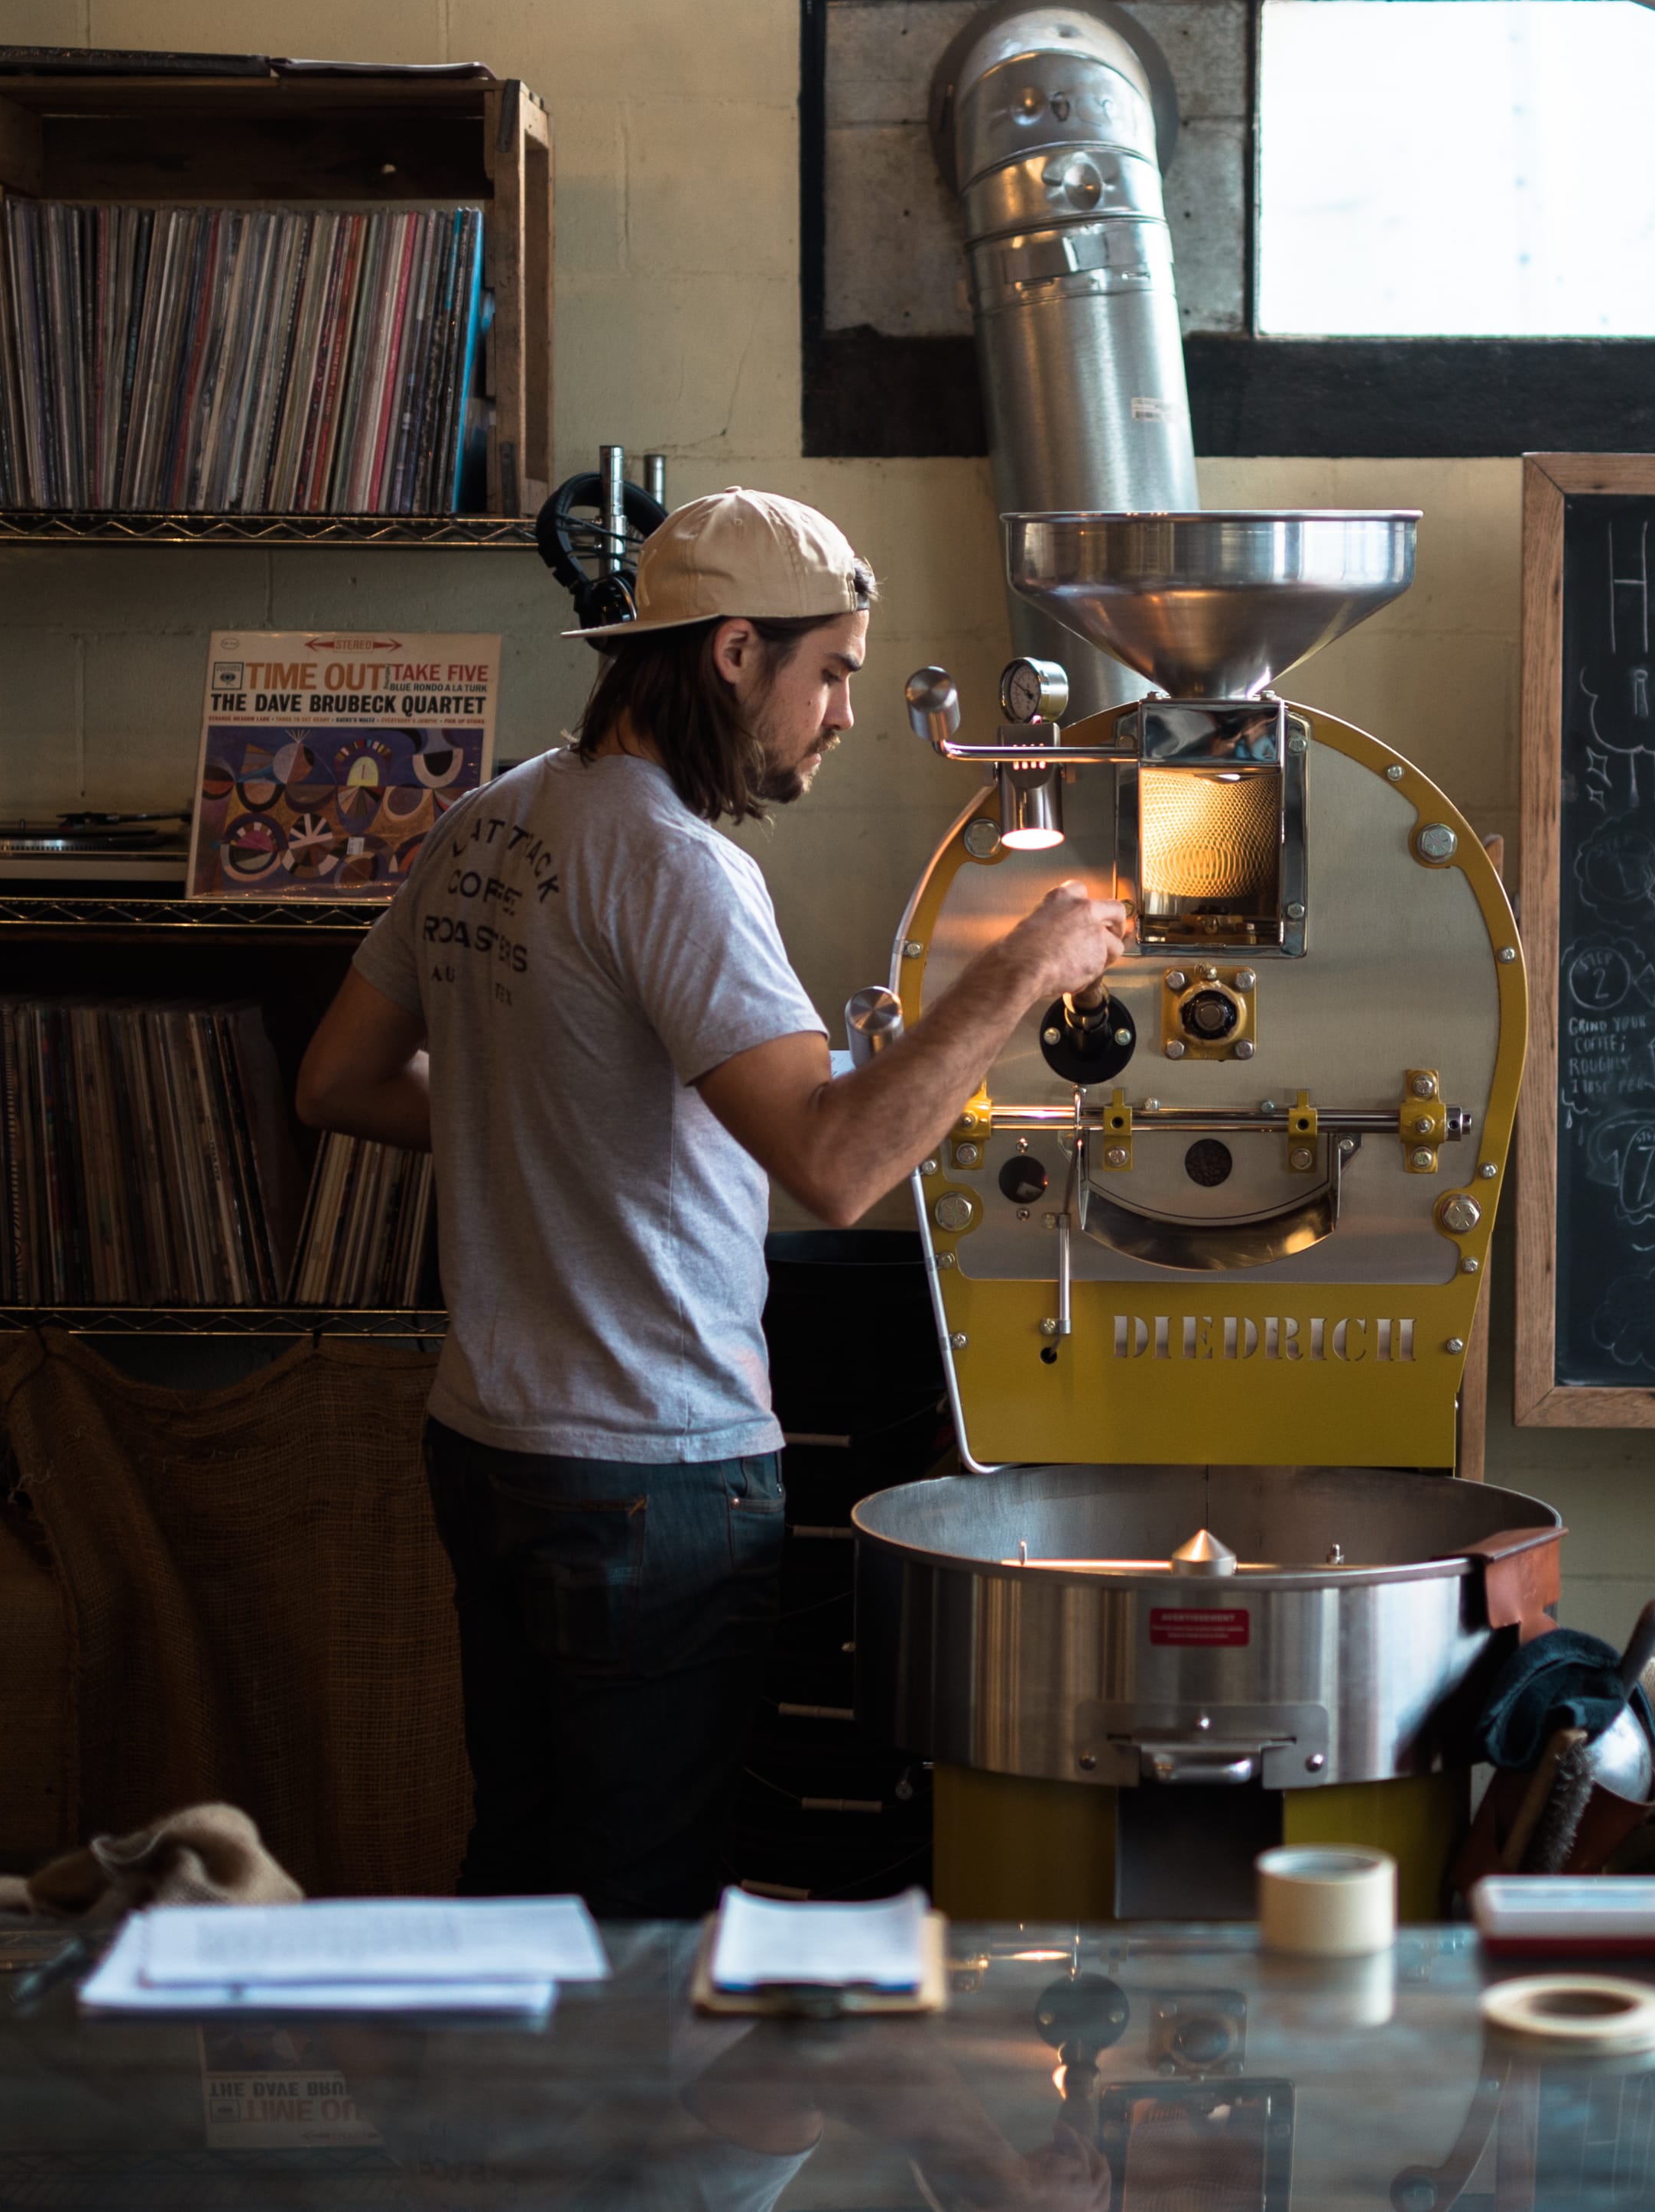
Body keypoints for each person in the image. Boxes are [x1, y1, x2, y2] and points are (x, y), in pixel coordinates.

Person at [294, 488, 1128, 1912]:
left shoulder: (489, 823)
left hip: (487, 1447)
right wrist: (1021, 970)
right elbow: (837, 1162)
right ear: (736, 653)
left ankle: (511, 2137)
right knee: (642, 1904)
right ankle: (613, 2142)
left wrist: (556, 1126)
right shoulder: (682, 868)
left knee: (522, 1862)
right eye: (834, 672)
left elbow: (339, 1081)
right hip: (648, 1475)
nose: (847, 713)